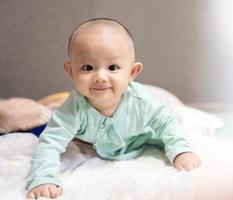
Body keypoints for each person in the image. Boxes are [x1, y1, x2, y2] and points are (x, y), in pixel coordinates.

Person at [26, 18, 201, 199]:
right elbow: (50, 143)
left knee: (174, 111)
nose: (101, 76)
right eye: (87, 67)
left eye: (113, 67)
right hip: (94, 142)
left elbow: (167, 124)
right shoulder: (74, 108)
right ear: (70, 71)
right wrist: (43, 178)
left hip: (139, 136)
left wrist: (181, 151)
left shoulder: (142, 102)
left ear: (132, 72)